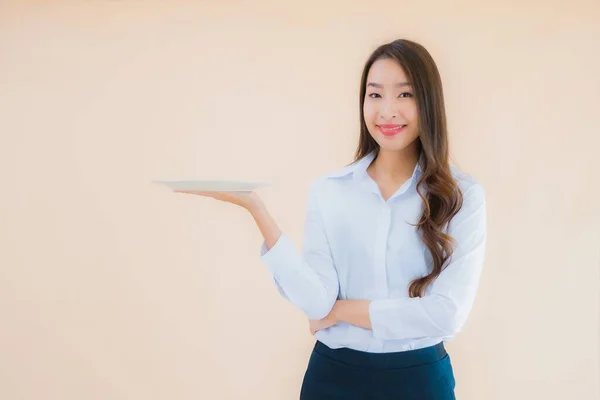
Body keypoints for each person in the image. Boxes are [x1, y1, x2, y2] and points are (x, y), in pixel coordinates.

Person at [176, 38, 487, 399]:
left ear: (429, 103)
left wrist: (342, 311)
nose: (387, 111)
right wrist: (256, 209)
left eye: (405, 95)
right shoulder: (329, 191)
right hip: (335, 379)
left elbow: (446, 315)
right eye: (375, 95)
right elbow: (315, 302)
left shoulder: (462, 196)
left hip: (419, 380)